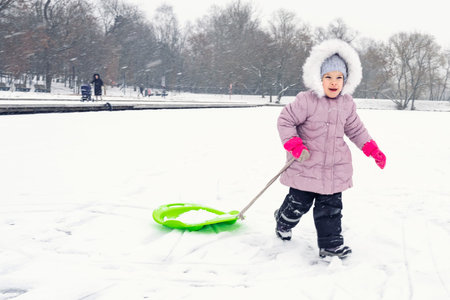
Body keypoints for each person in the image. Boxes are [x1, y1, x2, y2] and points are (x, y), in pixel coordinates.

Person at [274, 39, 386, 259]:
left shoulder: (346, 104)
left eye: (339, 78)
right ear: (319, 78)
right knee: (297, 206)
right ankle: (282, 221)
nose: (334, 83)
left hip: (334, 171)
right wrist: (294, 144)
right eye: (328, 77)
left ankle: (331, 245)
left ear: (346, 80)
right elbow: (285, 121)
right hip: (306, 167)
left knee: (331, 211)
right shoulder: (306, 101)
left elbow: (356, 129)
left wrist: (371, 148)